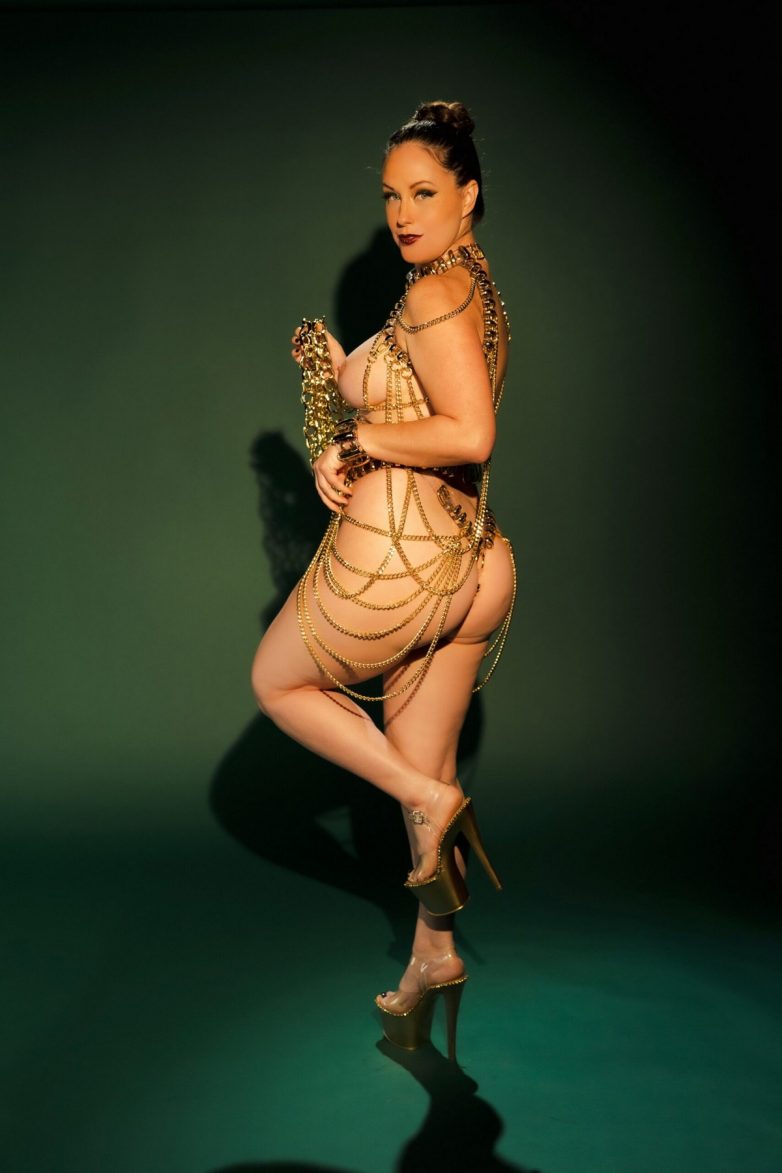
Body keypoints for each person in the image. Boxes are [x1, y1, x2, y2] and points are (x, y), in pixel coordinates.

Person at [251, 100, 515, 1061]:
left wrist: (356, 439)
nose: (404, 213)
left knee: (279, 683)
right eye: (392, 195)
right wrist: (338, 376)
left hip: (405, 565)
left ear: (468, 195)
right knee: (425, 784)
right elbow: (416, 400)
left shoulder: (434, 293)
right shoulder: (469, 287)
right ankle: (432, 960)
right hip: (476, 563)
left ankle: (430, 801)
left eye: (425, 192)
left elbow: (470, 432)